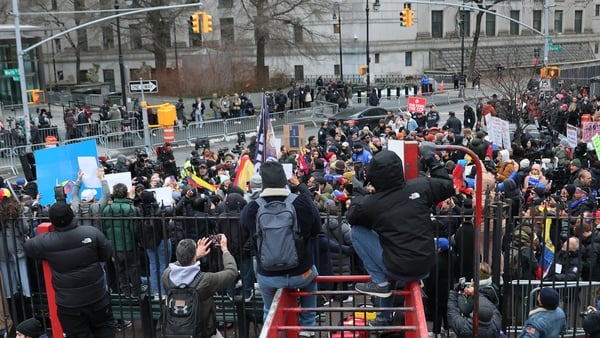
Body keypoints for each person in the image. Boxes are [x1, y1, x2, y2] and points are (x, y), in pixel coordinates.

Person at [346, 147, 455, 326]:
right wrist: (431, 159)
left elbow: (352, 218)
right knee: (388, 260)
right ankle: (383, 317)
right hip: (425, 265)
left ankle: (379, 284)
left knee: (357, 232)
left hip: (397, 266)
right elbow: (448, 185)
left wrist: (361, 195)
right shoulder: (421, 185)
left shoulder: (372, 204)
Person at [240, 161, 321, 337]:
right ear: (284, 179)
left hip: (268, 277)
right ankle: (308, 327)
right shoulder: (303, 203)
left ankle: (275, 332)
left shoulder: (251, 208)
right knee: (312, 275)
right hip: (302, 274)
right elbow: (317, 230)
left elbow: (244, 236)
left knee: (270, 310)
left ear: (263, 182)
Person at [24, 201, 115, 338]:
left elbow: (29, 247)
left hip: (69, 304)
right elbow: (106, 255)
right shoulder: (91, 232)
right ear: (72, 216)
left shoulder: (45, 242)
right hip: (97, 296)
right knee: (104, 328)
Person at [161, 236, 238, 338]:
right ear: (193, 257)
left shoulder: (166, 277)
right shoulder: (205, 281)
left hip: (175, 330)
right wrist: (225, 249)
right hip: (202, 331)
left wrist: (194, 255)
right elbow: (232, 272)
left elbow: (176, 265)